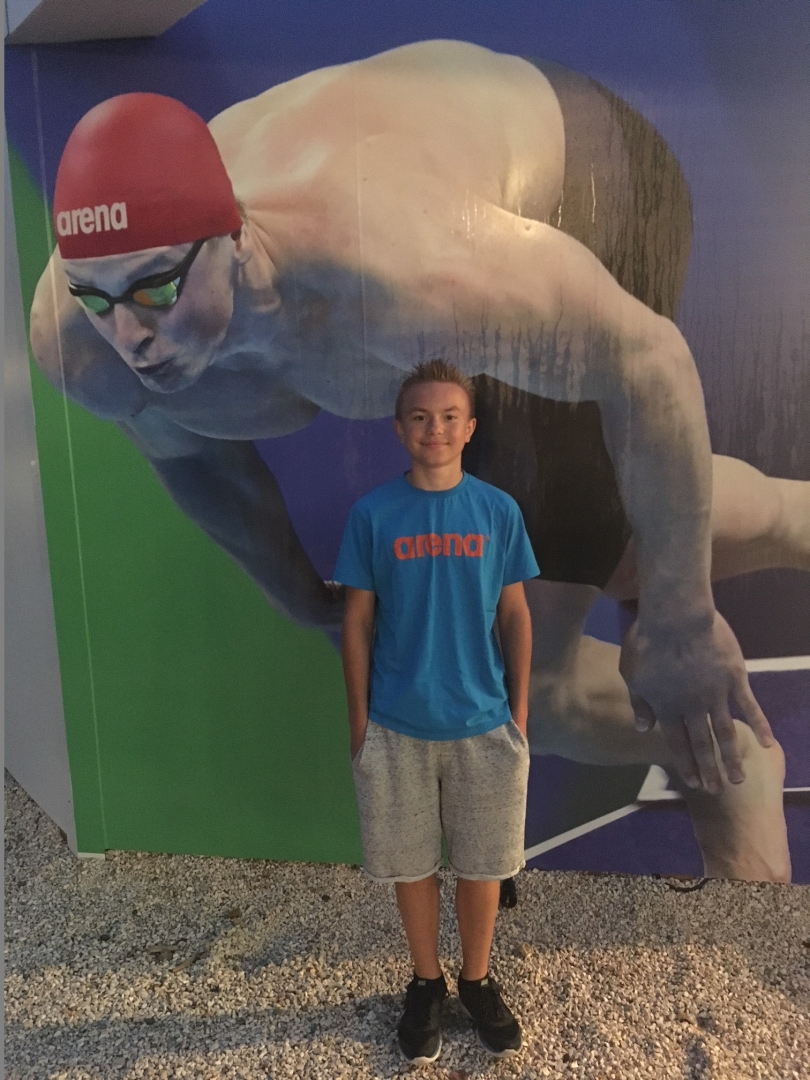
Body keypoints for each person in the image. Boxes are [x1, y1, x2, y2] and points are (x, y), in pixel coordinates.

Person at [29, 40, 810, 879]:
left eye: (155, 290)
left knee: (525, 681)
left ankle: (727, 751)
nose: (131, 335)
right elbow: (200, 463)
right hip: (448, 225)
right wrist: (296, 591)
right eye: (98, 298)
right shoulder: (85, 345)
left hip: (584, 181)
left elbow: (647, 362)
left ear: (236, 240)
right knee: (604, 542)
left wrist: (682, 621)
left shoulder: (399, 270)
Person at [336, 359, 538, 1063]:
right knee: (412, 866)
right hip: (397, 726)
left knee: (483, 866)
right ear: (399, 429)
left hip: (485, 726)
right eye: (420, 417)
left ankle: (476, 980)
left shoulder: (498, 511)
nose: (435, 429)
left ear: (470, 428)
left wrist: (518, 716)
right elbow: (356, 622)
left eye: (450, 416)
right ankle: (426, 983)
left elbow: (516, 615)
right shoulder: (373, 515)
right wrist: (359, 723)